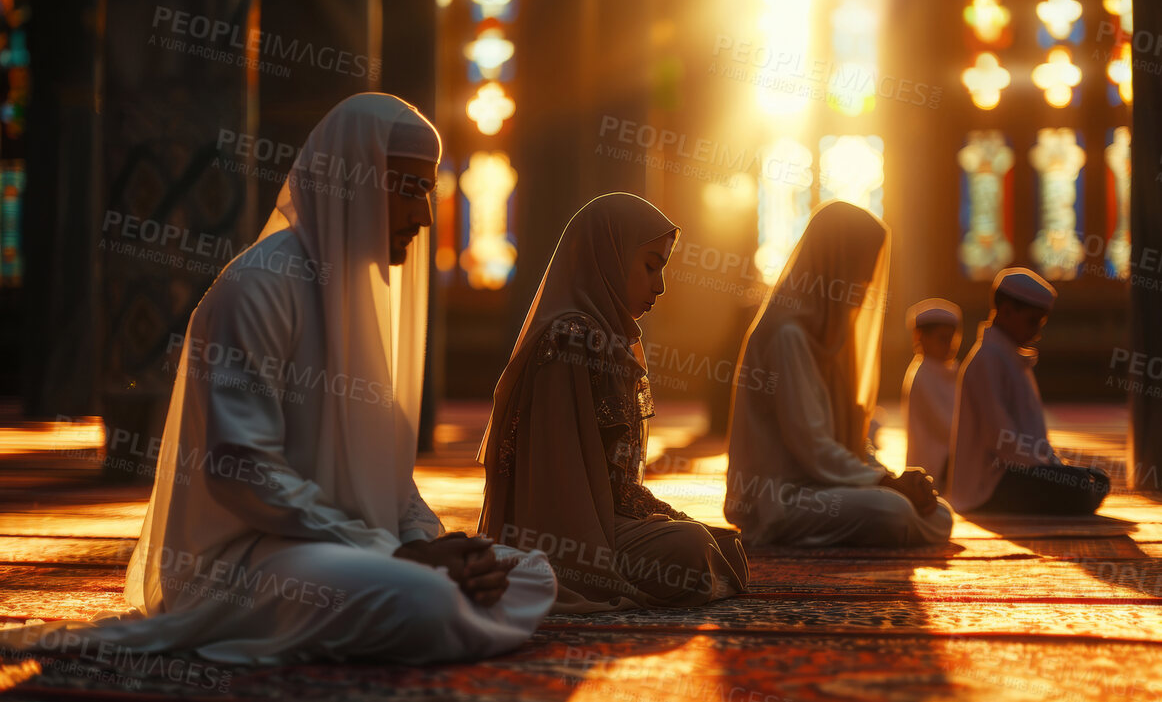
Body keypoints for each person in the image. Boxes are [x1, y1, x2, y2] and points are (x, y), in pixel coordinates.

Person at [4, 93, 556, 667]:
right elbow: (242, 469)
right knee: (424, 598)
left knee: (530, 571)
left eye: (428, 192)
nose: (423, 217)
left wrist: (422, 540)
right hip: (247, 561)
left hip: (347, 550)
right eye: (409, 190)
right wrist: (393, 555)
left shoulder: (360, 299)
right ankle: (431, 605)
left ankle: (434, 598)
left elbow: (390, 477)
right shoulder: (261, 285)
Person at [478, 192, 748, 610]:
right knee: (692, 549)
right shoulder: (569, 339)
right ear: (608, 258)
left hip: (605, 522)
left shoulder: (606, 338)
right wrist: (594, 559)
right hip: (566, 541)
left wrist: (663, 517)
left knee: (719, 543)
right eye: (650, 266)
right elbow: (560, 492)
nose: (659, 286)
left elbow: (617, 486)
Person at [725, 200, 953, 548]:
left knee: (938, 513)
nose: (862, 289)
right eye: (857, 275)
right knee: (891, 510)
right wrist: (887, 484)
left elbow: (849, 442)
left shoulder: (830, 338)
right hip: (783, 499)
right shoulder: (788, 335)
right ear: (833, 268)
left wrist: (892, 479)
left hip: (828, 486)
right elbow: (814, 448)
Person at [947, 266, 1109, 516]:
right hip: (991, 483)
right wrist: (1048, 470)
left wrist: (1054, 467)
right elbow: (1001, 438)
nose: (1037, 331)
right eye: (1032, 321)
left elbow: (1033, 436)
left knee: (1096, 479)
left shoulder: (1010, 357)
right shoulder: (987, 360)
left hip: (1021, 471)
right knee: (1078, 487)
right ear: (1007, 311)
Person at [902, 298, 962, 489]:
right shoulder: (921, 375)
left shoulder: (953, 370)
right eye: (943, 339)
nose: (951, 346)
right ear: (919, 337)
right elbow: (948, 430)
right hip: (933, 468)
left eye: (953, 339)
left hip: (952, 461)